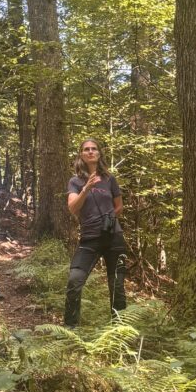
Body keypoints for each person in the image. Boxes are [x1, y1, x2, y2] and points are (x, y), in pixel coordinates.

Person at [64, 138, 128, 326]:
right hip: (89, 238)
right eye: (86, 149)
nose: (90, 152)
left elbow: (119, 206)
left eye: (94, 149)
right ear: (81, 155)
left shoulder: (110, 179)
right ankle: (70, 329)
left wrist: (109, 219)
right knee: (74, 281)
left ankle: (118, 331)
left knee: (117, 285)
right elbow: (73, 208)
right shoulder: (75, 182)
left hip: (113, 237)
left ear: (99, 153)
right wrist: (86, 189)